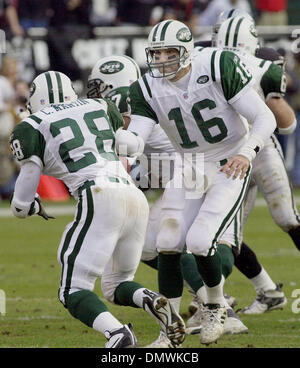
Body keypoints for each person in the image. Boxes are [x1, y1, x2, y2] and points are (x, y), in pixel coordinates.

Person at [115, 19, 277, 345]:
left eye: (168, 52)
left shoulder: (218, 65)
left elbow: (265, 117)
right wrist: (120, 141)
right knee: (168, 241)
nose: (161, 60)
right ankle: (170, 332)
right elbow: (137, 138)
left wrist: (246, 153)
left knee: (201, 241)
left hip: (229, 162)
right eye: (155, 54)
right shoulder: (146, 87)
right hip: (190, 166)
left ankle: (216, 305)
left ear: (186, 52)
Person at [9, 70, 185, 348]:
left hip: (98, 194)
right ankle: (150, 299)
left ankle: (117, 333)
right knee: (115, 285)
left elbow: (20, 203)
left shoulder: (33, 123)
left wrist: (27, 206)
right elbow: (127, 146)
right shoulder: (100, 106)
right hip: (133, 196)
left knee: (72, 289)